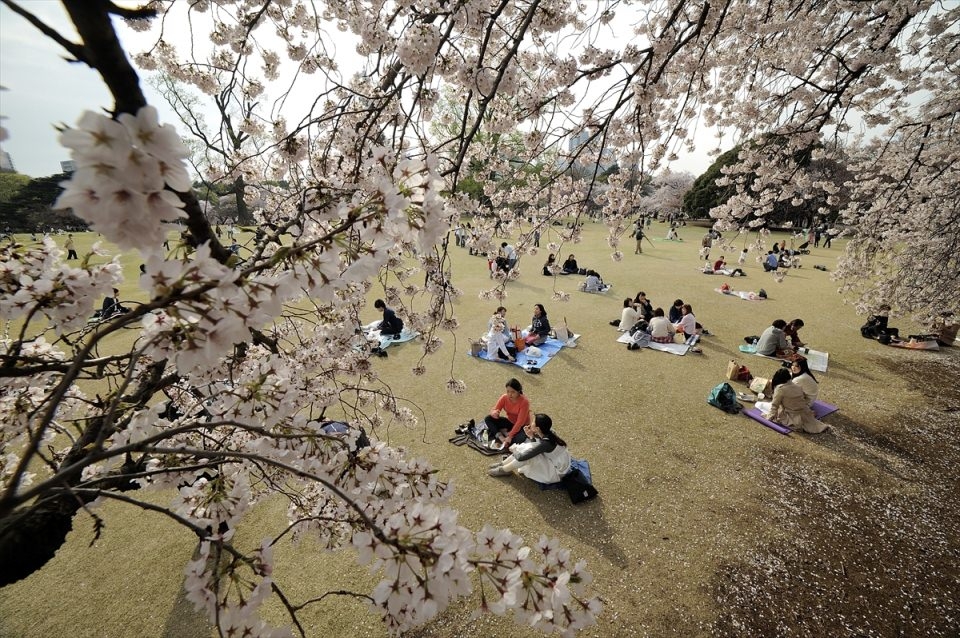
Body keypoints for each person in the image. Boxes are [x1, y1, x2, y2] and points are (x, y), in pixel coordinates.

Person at [488, 413, 572, 483]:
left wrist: (514, 449)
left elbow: (522, 457)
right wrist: (531, 436)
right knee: (526, 447)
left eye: (533, 422)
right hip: (558, 464)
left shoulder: (546, 443)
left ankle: (504, 470)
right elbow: (536, 447)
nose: (531, 423)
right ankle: (503, 464)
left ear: (537, 428)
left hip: (557, 472)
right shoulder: (549, 433)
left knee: (526, 453)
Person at [758, 369, 829, 434]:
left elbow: (774, 406)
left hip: (792, 416)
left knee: (761, 406)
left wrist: (769, 417)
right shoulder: (797, 386)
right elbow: (804, 399)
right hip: (804, 412)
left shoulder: (780, 389)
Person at [483, 378, 531, 450]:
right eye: (508, 391)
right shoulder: (504, 397)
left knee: (518, 440)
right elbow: (495, 409)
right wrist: (494, 413)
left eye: (513, 392)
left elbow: (520, 422)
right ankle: (501, 436)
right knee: (488, 418)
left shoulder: (524, 402)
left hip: (522, 426)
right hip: (510, 422)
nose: (510, 394)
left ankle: (506, 433)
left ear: (518, 391)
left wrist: (510, 436)